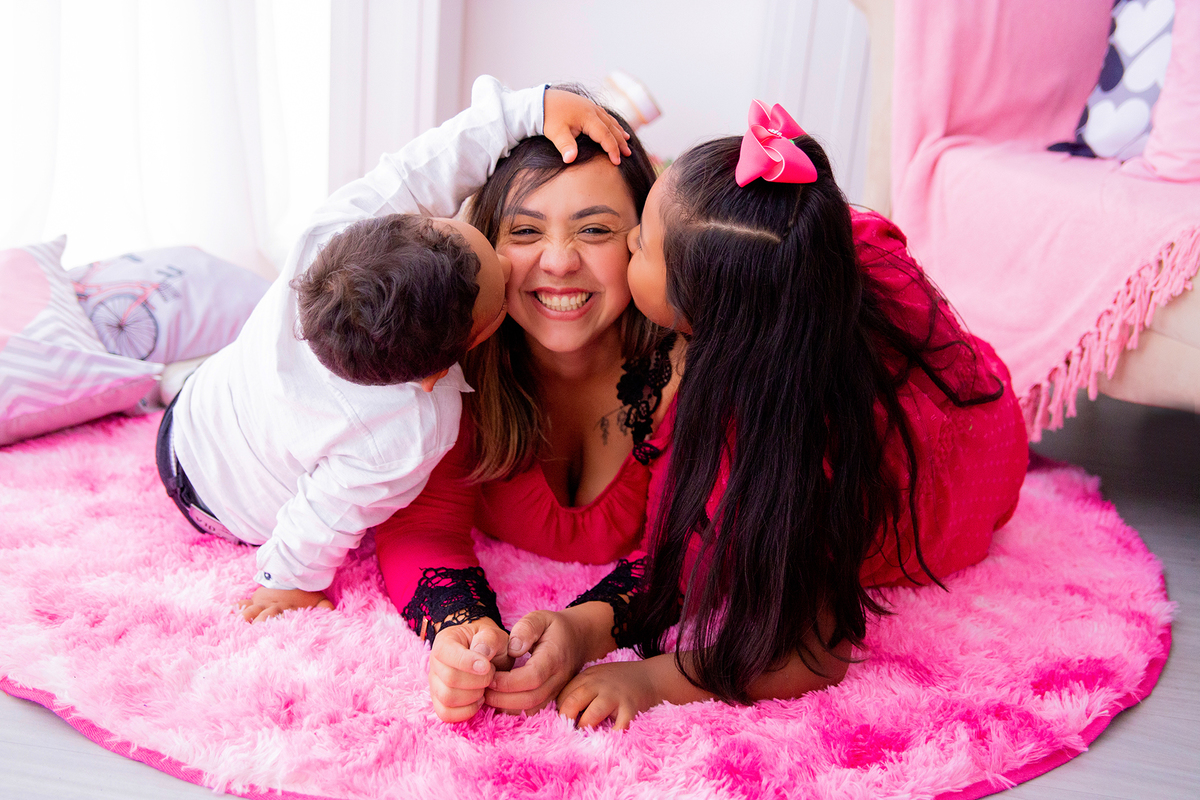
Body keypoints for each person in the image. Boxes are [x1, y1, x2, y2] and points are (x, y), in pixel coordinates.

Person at [543, 103, 1030, 728]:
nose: (630, 241)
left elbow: (810, 652)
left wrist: (649, 679)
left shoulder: (785, 446)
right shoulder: (805, 243)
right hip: (974, 390)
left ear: (704, 310)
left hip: (962, 487)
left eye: (640, 245)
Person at [155, 76, 632, 623]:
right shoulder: (410, 432)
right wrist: (286, 582)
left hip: (196, 408)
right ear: (442, 370)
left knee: (250, 375)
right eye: (514, 243)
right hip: (221, 506)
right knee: (323, 473)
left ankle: (174, 378)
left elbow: (421, 166)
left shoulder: (327, 232)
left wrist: (530, 109)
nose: (517, 265)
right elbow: (324, 516)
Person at [372, 101, 674, 722]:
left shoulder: (696, 373)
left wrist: (584, 632)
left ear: (643, 241)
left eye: (594, 231)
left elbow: (702, 551)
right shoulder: (449, 364)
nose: (559, 262)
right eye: (527, 232)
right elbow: (422, 526)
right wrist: (466, 632)